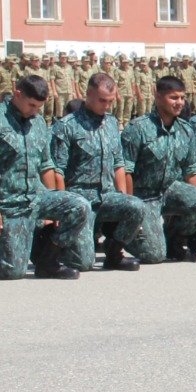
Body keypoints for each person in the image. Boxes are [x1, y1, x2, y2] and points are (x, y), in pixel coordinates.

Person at [0, 75, 89, 281]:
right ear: (17, 94)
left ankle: (48, 261)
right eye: (31, 105)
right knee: (12, 271)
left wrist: (54, 203)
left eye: (39, 106)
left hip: (36, 197)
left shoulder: (38, 122)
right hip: (9, 202)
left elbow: (47, 166)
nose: (35, 111)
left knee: (79, 206)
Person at [50, 72, 151, 272]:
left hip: (106, 195)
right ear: (88, 94)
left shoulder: (112, 123)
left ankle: (114, 252)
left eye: (111, 101)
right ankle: (57, 247)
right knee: (84, 263)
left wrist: (122, 197)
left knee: (136, 206)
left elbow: (119, 164)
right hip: (80, 199)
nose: (106, 106)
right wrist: (61, 207)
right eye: (102, 100)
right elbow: (57, 171)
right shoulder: (67, 126)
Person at [122, 75, 196, 263]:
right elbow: (126, 171)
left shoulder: (186, 130)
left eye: (182, 98)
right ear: (158, 96)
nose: (180, 103)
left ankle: (176, 239)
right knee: (154, 255)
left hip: (169, 190)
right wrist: (130, 208)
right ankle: (122, 236)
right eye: (173, 98)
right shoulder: (138, 129)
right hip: (144, 197)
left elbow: (191, 170)